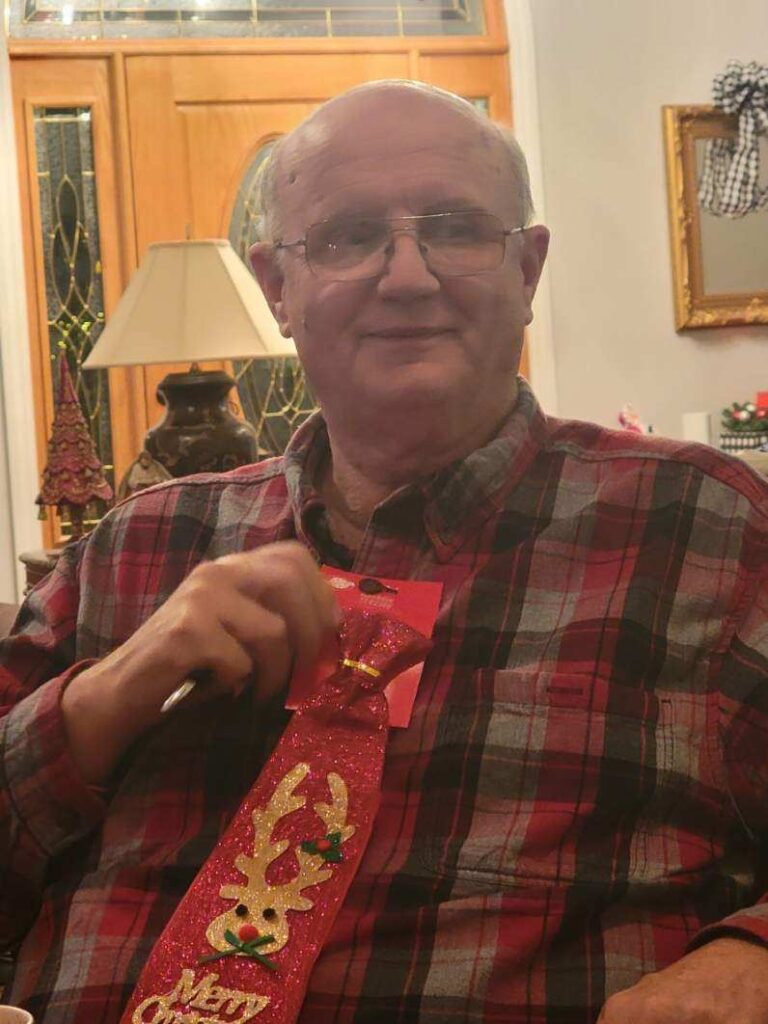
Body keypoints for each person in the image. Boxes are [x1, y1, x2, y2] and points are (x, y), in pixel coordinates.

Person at [1, 79, 767, 1024]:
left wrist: (751, 959)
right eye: (349, 236)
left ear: (528, 270)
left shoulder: (706, 526)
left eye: (457, 229)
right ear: (277, 288)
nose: (407, 277)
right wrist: (111, 693)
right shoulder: (139, 545)